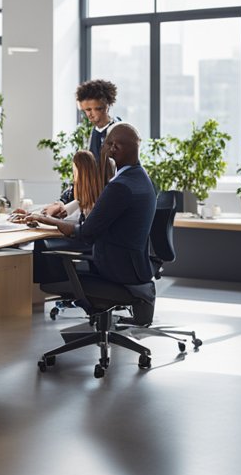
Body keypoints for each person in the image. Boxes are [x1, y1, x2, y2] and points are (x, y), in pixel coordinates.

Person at [24, 123, 157, 324]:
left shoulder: (119, 186)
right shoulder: (141, 177)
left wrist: (45, 219)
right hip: (135, 266)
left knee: (44, 249)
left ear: (115, 148)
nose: (103, 149)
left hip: (115, 269)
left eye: (106, 144)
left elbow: (86, 233)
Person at [35, 79, 122, 217]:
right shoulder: (95, 132)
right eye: (87, 110)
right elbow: (85, 174)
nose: (91, 114)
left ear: (108, 106)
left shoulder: (118, 132)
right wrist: (62, 201)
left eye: (98, 109)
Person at [28, 150, 112, 287]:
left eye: (75, 170)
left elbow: (83, 227)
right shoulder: (82, 195)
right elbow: (64, 205)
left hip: (86, 242)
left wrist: (48, 218)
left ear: (78, 170)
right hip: (86, 241)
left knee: (41, 244)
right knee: (41, 242)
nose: (74, 176)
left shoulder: (96, 198)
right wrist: (54, 209)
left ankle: (57, 282)